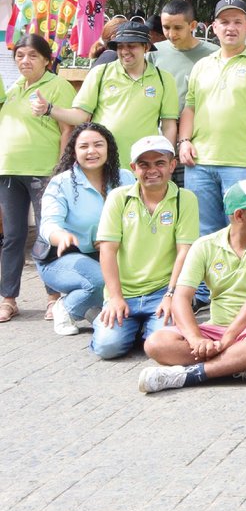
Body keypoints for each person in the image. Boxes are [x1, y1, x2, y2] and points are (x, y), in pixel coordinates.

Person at [136, 178, 246, 393]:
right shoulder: (205, 245)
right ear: (239, 215)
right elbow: (181, 297)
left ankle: (191, 376)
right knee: (155, 343)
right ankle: (241, 368)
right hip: (215, 331)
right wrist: (195, 339)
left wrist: (229, 338)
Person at [177, 0, 246, 250]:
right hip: (199, 163)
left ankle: (242, 288)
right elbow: (190, 107)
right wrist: (184, 141)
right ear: (214, 27)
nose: (230, 27)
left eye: (237, 21)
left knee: (244, 231)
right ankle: (208, 290)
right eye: (224, 22)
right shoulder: (202, 65)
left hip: (241, 163)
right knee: (205, 235)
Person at [90, 136, 199, 359]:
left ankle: (143, 328)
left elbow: (184, 252)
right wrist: (115, 297)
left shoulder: (185, 199)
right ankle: (113, 321)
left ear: (172, 165)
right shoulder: (118, 197)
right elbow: (107, 250)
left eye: (159, 163)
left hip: (162, 291)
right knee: (107, 348)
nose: (152, 170)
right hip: (124, 292)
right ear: (133, 168)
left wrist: (171, 295)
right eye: (144, 164)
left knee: (162, 345)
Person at [0, 33, 75, 322]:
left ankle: (53, 296)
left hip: (44, 171)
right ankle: (8, 298)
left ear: (47, 59)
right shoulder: (16, 87)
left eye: (32, 55)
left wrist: (59, 168)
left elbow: (67, 129)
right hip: (9, 172)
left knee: (47, 234)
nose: (25, 60)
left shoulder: (58, 85)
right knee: (12, 237)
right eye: (20, 55)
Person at [35, 123, 133, 336]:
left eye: (98, 144)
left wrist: (114, 237)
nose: (91, 151)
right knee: (100, 280)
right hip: (60, 258)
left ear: (109, 148)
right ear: (74, 151)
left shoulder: (125, 178)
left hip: (106, 253)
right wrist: (60, 236)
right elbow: (48, 224)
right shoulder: (61, 183)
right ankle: (66, 307)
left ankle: (91, 308)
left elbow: (136, 217)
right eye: (84, 146)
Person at [53, 17, 178, 159]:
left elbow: (169, 125)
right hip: (102, 162)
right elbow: (80, 116)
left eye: (131, 46)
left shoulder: (164, 79)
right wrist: (49, 109)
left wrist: (167, 158)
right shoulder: (100, 73)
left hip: (143, 163)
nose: (124, 51)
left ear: (146, 47)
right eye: (120, 46)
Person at [151, 0, 218, 106]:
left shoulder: (214, 54)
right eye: (166, 27)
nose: (171, 34)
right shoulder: (153, 51)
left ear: (192, 25)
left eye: (178, 28)